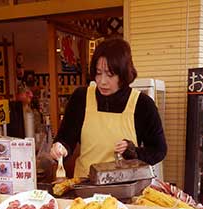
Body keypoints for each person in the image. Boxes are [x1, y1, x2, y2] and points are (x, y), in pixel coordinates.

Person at [50, 37, 167, 178]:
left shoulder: (142, 104)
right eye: (98, 73)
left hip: (125, 187)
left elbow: (159, 150)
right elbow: (66, 137)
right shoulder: (81, 97)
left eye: (110, 75)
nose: (102, 81)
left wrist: (134, 152)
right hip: (85, 185)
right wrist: (60, 147)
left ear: (123, 74)